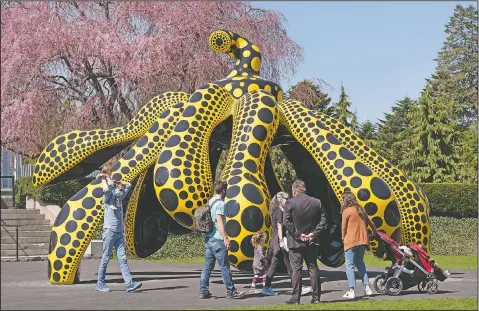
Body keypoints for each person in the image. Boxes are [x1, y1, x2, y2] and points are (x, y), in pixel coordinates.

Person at [96, 162, 142, 293]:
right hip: (110, 231)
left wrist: (120, 183)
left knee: (123, 258)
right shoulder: (109, 196)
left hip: (118, 232)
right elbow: (106, 190)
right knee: (105, 258)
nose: (122, 191)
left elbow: (129, 185)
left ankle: (129, 284)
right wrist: (107, 179)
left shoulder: (119, 197)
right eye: (120, 190)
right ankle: (100, 283)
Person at [199, 180, 245, 299]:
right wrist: (226, 238)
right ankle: (231, 291)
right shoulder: (220, 203)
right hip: (218, 239)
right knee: (224, 266)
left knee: (207, 266)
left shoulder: (211, 201)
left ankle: (203, 291)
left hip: (209, 238)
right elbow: (219, 222)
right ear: (224, 190)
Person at [283, 180, 326, 305]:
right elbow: (323, 219)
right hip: (311, 241)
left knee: (296, 270)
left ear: (294, 190)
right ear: (304, 189)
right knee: (313, 268)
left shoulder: (290, 202)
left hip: (295, 242)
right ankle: (316, 298)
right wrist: (314, 233)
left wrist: (298, 234)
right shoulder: (316, 202)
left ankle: (296, 298)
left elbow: (286, 222)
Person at [262, 192, 311, 297]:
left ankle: (267, 287)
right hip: (280, 241)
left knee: (276, 265)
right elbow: (280, 227)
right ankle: (297, 288)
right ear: (281, 200)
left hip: (277, 241)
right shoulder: (280, 211)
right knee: (289, 265)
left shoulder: (277, 210)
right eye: (286, 199)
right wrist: (281, 241)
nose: (289, 201)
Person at [341, 188, 378, 299]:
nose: (341, 201)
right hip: (362, 240)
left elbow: (343, 228)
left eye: (342, 200)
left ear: (346, 200)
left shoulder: (346, 211)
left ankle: (351, 290)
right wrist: (374, 232)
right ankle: (367, 287)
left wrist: (343, 238)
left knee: (349, 266)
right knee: (360, 263)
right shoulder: (360, 209)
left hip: (350, 241)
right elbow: (370, 222)